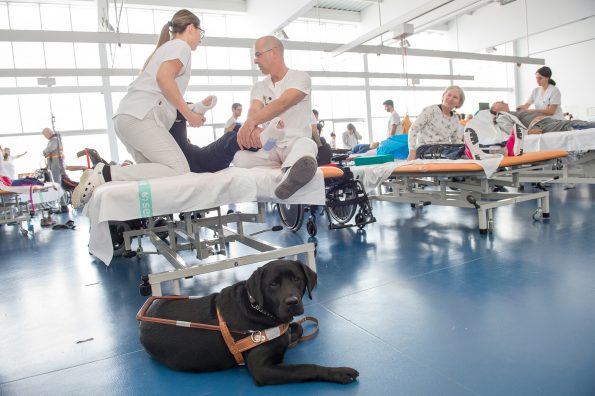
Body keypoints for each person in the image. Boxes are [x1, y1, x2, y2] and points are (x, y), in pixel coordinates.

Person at [72, 10, 211, 208]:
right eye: (200, 32)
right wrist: (189, 115)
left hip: (127, 117)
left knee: (154, 174)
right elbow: (164, 79)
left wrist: (191, 109)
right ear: (191, 28)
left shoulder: (166, 48)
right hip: (141, 117)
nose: (200, 38)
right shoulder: (181, 46)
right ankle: (105, 173)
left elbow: (164, 89)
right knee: (179, 169)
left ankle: (119, 185)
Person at [233, 36, 318, 200]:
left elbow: (282, 103)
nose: (255, 60)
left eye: (258, 55)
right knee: (239, 159)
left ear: (273, 53)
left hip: (295, 141)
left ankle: (292, 174)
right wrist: (252, 126)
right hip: (270, 145)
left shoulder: (301, 78)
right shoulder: (259, 87)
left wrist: (250, 124)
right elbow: (253, 109)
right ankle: (289, 169)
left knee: (307, 145)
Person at [407, 86, 465, 160]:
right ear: (443, 96)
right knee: (450, 153)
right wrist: (412, 152)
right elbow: (413, 129)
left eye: (455, 97)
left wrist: (468, 148)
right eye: (449, 95)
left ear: (459, 103)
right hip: (426, 147)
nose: (450, 99)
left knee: (464, 149)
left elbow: (455, 140)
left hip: (445, 147)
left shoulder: (455, 118)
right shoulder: (430, 111)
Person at [491, 101, 595, 134]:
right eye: (499, 102)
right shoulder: (501, 116)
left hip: (548, 121)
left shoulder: (512, 112)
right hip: (539, 125)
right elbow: (510, 130)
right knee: (571, 125)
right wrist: (529, 132)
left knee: (577, 122)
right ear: (495, 108)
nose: (504, 101)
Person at [41, 127, 70, 211]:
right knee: (59, 185)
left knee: (57, 186)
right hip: (57, 164)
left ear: (48, 133)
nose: (45, 137)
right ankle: (64, 205)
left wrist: (44, 151)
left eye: (45, 135)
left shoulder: (54, 140)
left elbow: (48, 150)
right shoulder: (56, 139)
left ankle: (64, 206)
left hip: (56, 165)